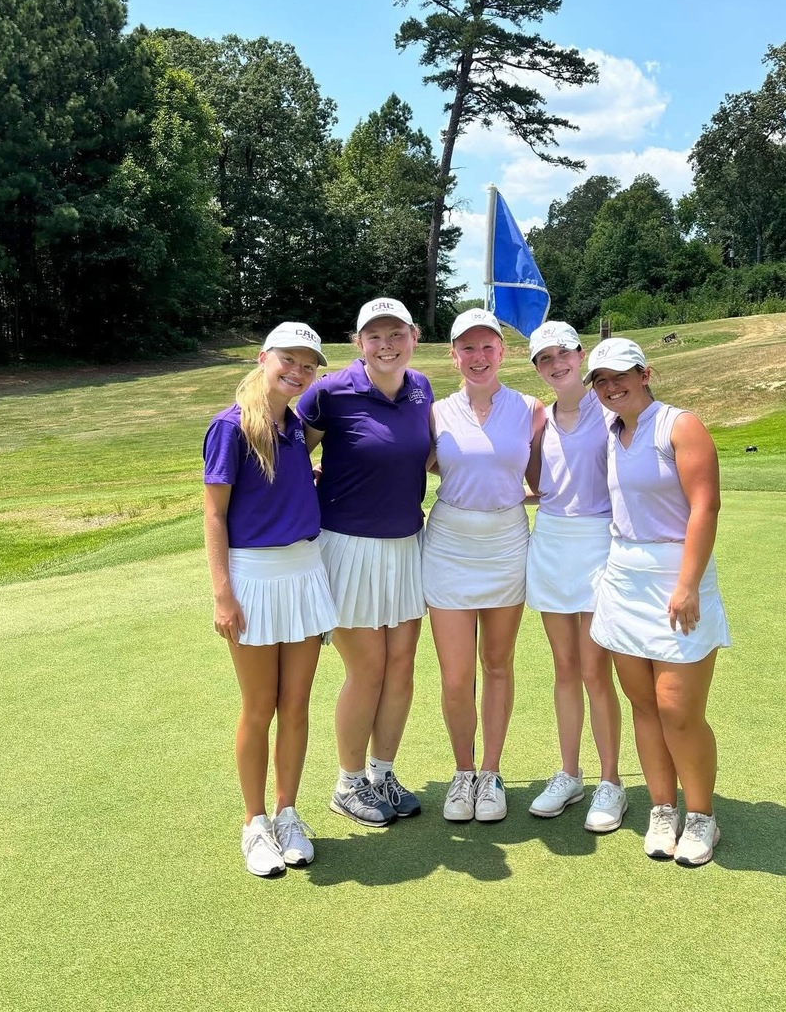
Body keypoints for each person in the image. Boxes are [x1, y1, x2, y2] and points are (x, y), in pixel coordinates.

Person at [585, 337, 731, 867]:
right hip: (624, 579)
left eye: (619, 375)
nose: (609, 386)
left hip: (676, 578)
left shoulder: (679, 424)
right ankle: (662, 808)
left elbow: (705, 507)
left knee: (678, 710)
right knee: (643, 705)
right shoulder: (610, 430)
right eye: (600, 380)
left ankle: (701, 817)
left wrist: (689, 583)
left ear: (645, 373)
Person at [203, 322, 338, 878]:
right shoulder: (230, 427)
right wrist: (222, 594)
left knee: (298, 706)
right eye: (290, 359)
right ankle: (254, 822)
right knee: (260, 707)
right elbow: (214, 513)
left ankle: (287, 814)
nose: (299, 371)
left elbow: (286, 485)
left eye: (309, 365)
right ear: (264, 358)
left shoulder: (295, 425)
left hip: (304, 572)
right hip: (253, 577)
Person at [298, 298, 433, 827]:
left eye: (395, 333)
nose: (385, 344)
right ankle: (348, 782)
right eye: (373, 336)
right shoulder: (330, 392)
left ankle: (382, 773)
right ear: (358, 344)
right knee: (369, 668)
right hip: (347, 546)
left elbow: (421, 453)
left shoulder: (422, 388)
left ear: (413, 336)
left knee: (401, 667)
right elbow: (295, 452)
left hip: (405, 545)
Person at [424, 308, 546, 823]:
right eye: (467, 348)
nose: (478, 357)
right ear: (454, 355)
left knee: (497, 665)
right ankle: (463, 772)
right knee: (456, 676)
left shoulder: (531, 409)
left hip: (505, 544)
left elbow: (544, 478)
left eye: (487, 347)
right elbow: (416, 465)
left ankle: (491, 773)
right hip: (450, 543)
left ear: (503, 352)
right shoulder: (433, 413)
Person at [524, 322, 625, 833]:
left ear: (581, 355)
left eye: (563, 353)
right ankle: (570, 773)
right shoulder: (539, 418)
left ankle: (611, 781)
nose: (556, 364)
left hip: (596, 545)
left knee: (593, 669)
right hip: (551, 542)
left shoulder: (608, 411)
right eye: (544, 359)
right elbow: (536, 481)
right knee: (564, 667)